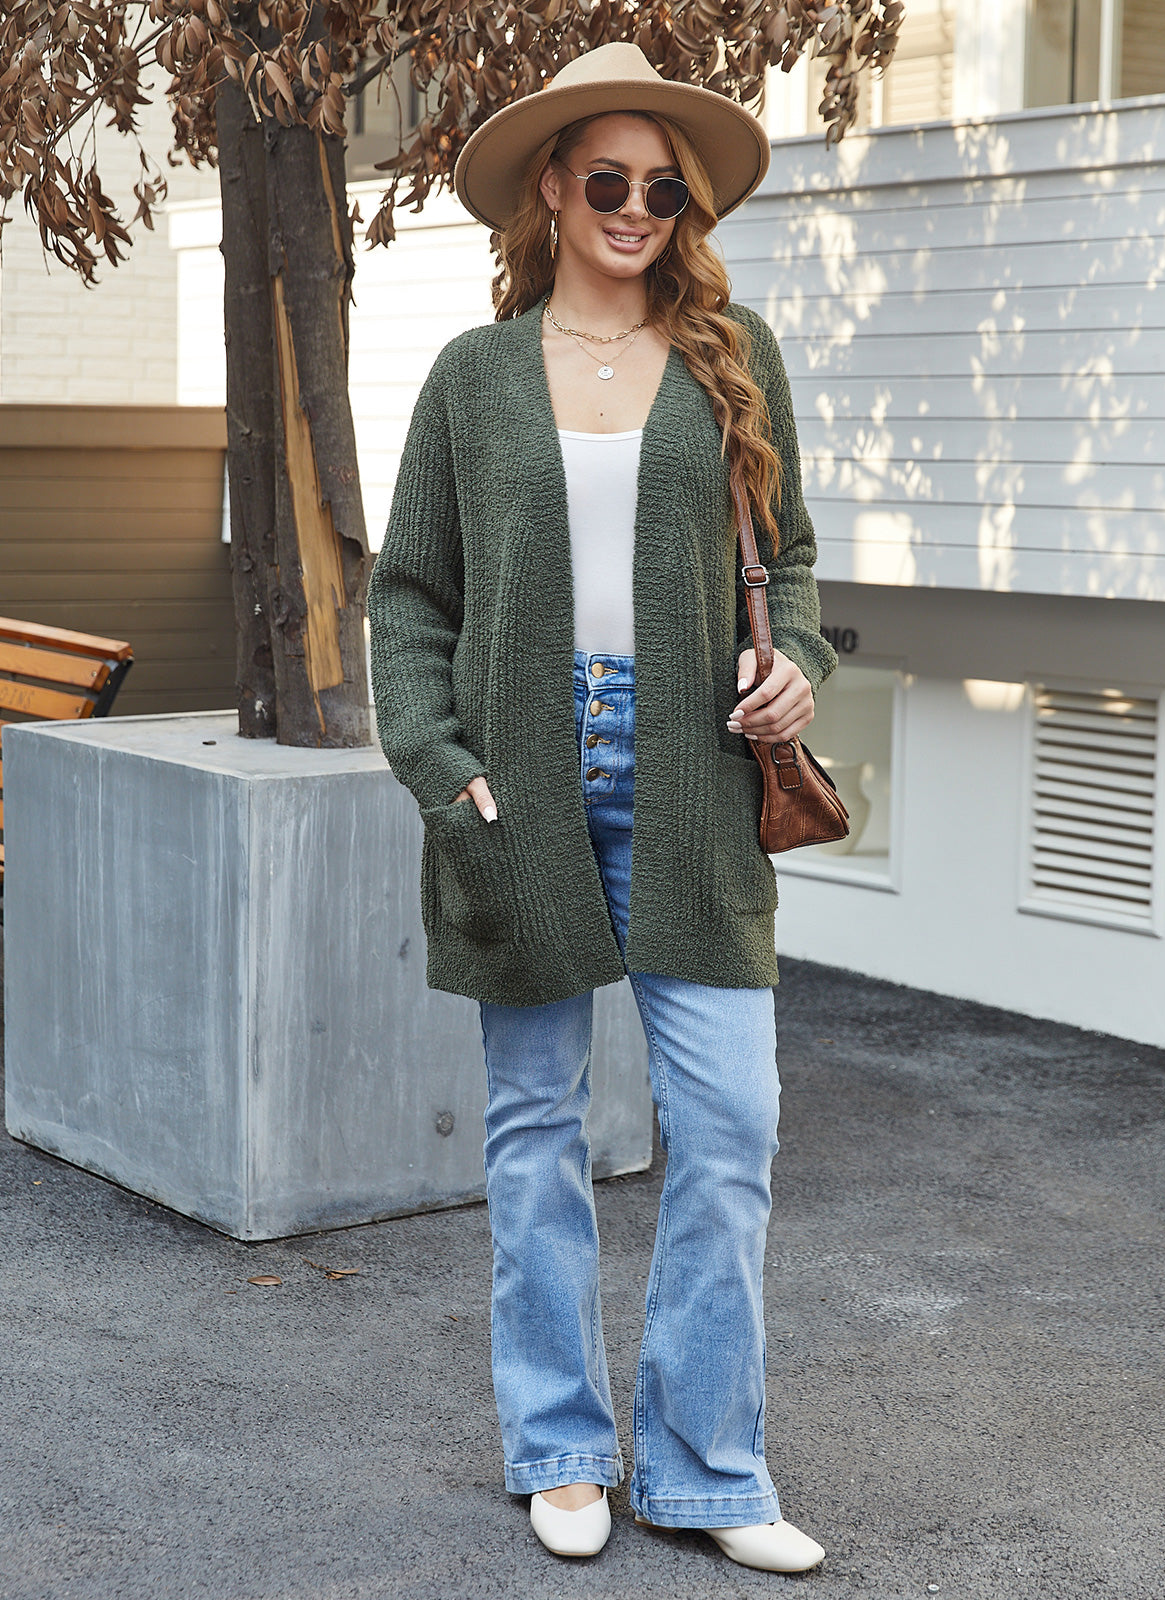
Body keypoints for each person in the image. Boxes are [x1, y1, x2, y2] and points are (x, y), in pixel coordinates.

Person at [366, 41, 838, 1574]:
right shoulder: (475, 377)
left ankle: (709, 1467)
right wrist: (441, 762)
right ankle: (560, 1447)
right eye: (611, 181)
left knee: (730, 1131)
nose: (640, 207)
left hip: (696, 778)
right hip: (523, 780)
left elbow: (803, 569)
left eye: (666, 187)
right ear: (554, 194)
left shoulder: (732, 353)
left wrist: (798, 670)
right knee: (532, 1137)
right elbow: (409, 598)